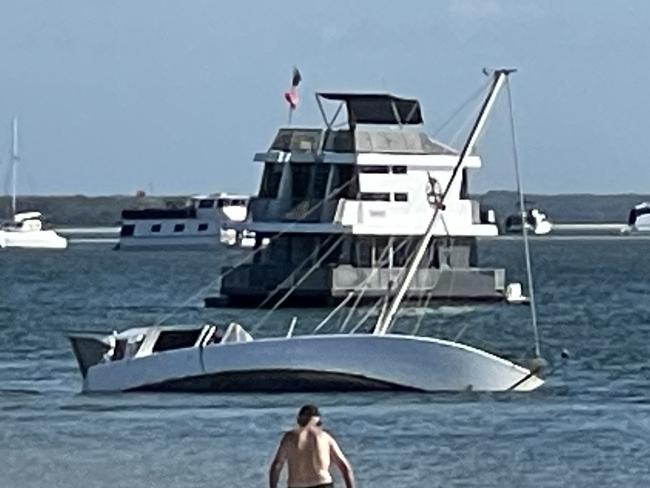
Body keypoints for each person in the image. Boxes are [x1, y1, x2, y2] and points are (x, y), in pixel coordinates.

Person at [269, 404, 355, 488]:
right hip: (322, 483)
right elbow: (345, 467)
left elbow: (277, 465)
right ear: (318, 421)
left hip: (297, 485)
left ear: (299, 419)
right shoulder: (325, 437)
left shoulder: (289, 438)